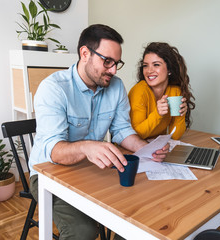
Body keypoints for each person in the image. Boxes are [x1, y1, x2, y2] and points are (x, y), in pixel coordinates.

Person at [28, 24, 169, 240]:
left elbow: (122, 130)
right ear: (85, 54)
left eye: (117, 63)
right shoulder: (54, 88)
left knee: (139, 215)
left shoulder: (116, 86)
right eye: (107, 61)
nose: (113, 70)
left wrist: (147, 148)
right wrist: (87, 147)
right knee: (83, 232)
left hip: (91, 169)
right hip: (49, 173)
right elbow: (52, 151)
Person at [128, 42, 196, 140]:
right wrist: (158, 114)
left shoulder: (174, 91)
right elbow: (135, 135)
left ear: (169, 69)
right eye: (145, 65)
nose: (149, 70)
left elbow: (176, 136)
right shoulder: (139, 91)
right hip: (131, 150)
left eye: (156, 65)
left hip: (155, 148)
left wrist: (181, 115)